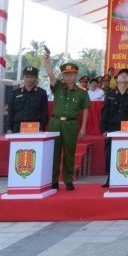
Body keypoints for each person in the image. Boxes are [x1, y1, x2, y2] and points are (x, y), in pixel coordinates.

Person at [45, 57, 89, 191]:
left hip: (71, 124)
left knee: (70, 152)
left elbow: (85, 109)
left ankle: (68, 179)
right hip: (56, 122)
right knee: (54, 152)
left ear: (76, 75)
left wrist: (83, 128)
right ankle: (53, 180)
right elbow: (50, 75)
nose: (69, 77)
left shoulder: (82, 92)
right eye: (66, 74)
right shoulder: (57, 86)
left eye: (71, 74)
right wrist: (47, 62)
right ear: (62, 76)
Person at [99, 66, 128, 187]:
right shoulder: (110, 94)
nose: (124, 76)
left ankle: (126, 177)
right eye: (121, 74)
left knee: (126, 153)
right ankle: (110, 177)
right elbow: (104, 113)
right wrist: (104, 130)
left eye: (127, 75)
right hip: (112, 129)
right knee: (110, 154)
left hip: (127, 129)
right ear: (116, 79)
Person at [7, 66, 48, 133]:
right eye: (27, 77)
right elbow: (10, 112)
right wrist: (9, 128)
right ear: (23, 77)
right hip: (17, 128)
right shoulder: (15, 93)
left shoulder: (41, 93)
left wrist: (41, 128)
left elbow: (44, 113)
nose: (29, 79)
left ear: (36, 78)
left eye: (32, 77)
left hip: (35, 128)